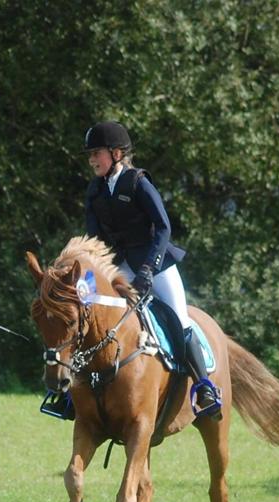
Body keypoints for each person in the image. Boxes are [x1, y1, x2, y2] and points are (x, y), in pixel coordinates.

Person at [83, 120, 219, 416]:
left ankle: (204, 386)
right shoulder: (95, 190)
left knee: (180, 320)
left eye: (97, 153)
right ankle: (73, 392)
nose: (92, 159)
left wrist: (148, 268)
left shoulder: (137, 182)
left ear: (117, 153)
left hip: (155, 265)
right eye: (90, 154)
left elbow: (163, 227)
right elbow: (94, 239)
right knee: (90, 314)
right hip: (118, 267)